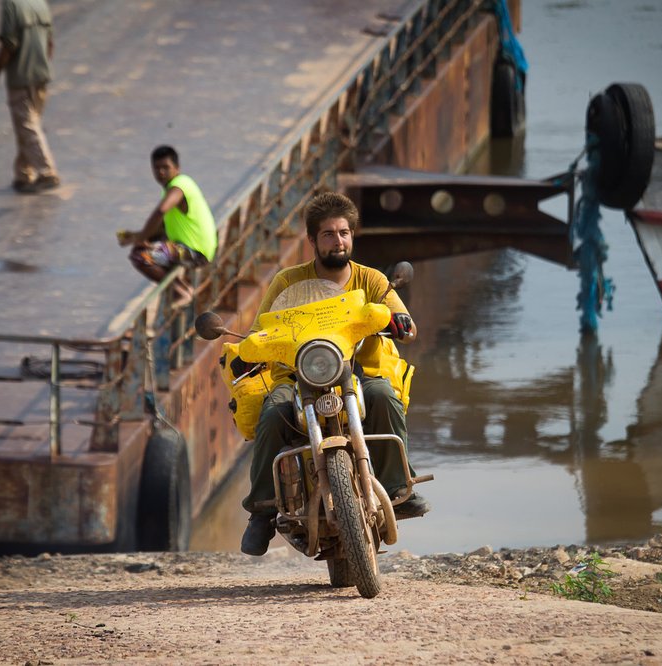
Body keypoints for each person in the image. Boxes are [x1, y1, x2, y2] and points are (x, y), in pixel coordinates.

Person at [240, 192, 430, 556]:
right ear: (312, 240)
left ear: (352, 236)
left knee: (383, 397)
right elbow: (259, 328)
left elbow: (403, 321)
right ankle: (261, 512)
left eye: (344, 232)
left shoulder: (371, 280)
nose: (337, 240)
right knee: (272, 412)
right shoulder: (287, 282)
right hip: (297, 375)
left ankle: (395, 488)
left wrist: (399, 322)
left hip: (359, 369)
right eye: (328, 234)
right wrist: (249, 349)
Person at [117, 145, 217, 301]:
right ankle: (180, 287)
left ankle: (180, 291)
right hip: (194, 248)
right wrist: (135, 236)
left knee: (139, 256)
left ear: (177, 168)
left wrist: (141, 239)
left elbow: (160, 211)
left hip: (194, 252)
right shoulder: (176, 186)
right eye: (156, 168)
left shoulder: (179, 186)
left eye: (165, 167)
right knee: (148, 244)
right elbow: (162, 227)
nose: (161, 172)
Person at [0, 0, 61, 194]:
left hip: (21, 76)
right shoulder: (40, 3)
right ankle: (23, 175)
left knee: (27, 126)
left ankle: (47, 172)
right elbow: (50, 42)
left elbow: (9, 43)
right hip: (41, 75)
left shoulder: (11, 5)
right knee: (28, 126)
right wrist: (44, 67)